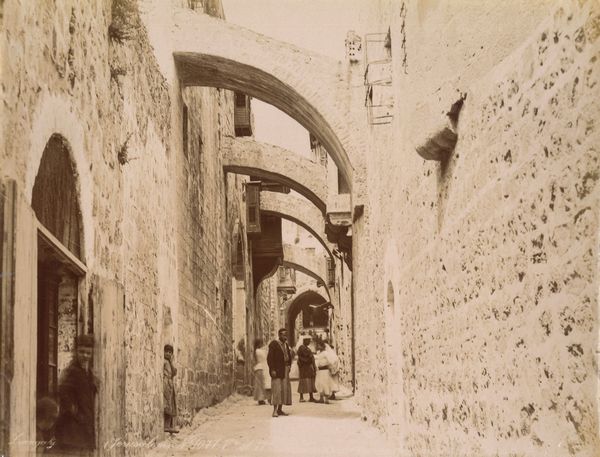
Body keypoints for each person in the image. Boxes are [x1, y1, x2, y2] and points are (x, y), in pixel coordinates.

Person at [54, 334, 97, 455]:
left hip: (84, 431)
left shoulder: (86, 373)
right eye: (82, 352)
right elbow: (62, 392)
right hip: (72, 432)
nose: (85, 356)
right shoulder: (72, 371)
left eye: (88, 353)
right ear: (75, 351)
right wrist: (76, 413)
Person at [267, 328, 292, 417]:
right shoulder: (274, 344)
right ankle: (274, 411)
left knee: (284, 389)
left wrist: (289, 365)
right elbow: (270, 358)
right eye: (283, 335)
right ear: (279, 335)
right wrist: (272, 369)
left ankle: (280, 409)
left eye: (286, 335)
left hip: (285, 369)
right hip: (277, 370)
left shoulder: (286, 344)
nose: (285, 337)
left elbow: (289, 356)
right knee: (277, 390)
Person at [163, 344, 179, 433]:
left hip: (170, 384)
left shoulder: (169, 362)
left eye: (170, 352)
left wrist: (171, 362)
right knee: (167, 404)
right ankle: (166, 426)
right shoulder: (164, 361)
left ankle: (169, 426)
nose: (168, 354)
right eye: (167, 352)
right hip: (165, 383)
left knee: (171, 404)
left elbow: (174, 373)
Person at [296, 337, 317, 402]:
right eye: (308, 341)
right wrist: (310, 357)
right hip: (304, 367)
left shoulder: (307, 348)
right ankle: (301, 397)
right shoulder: (302, 348)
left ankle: (311, 397)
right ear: (304, 341)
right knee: (303, 381)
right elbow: (304, 356)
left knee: (310, 381)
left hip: (308, 367)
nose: (309, 342)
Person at [253, 338, 271, 405]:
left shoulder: (257, 350)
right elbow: (265, 356)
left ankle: (261, 398)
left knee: (260, 384)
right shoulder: (258, 351)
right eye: (261, 343)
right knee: (261, 384)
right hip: (261, 367)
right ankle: (261, 398)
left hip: (260, 367)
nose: (262, 344)